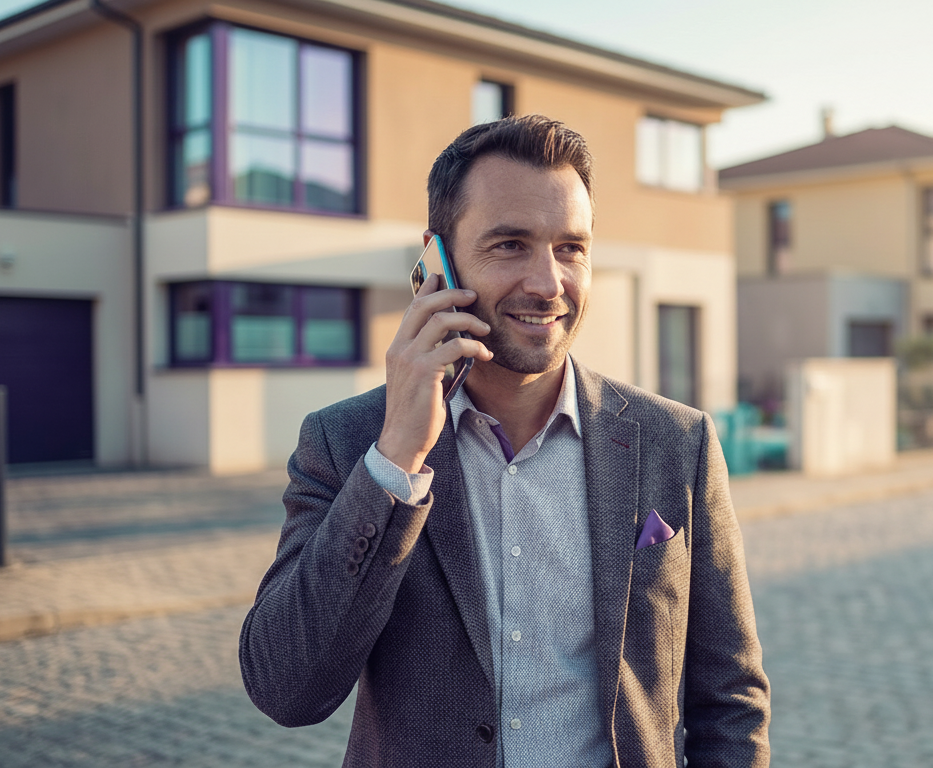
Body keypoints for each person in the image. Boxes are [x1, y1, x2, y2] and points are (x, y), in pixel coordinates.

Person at [239, 115, 771, 768]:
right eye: (510, 245)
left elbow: (731, 698)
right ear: (436, 260)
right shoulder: (348, 442)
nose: (549, 284)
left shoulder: (676, 443)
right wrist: (397, 458)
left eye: (571, 248)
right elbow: (286, 689)